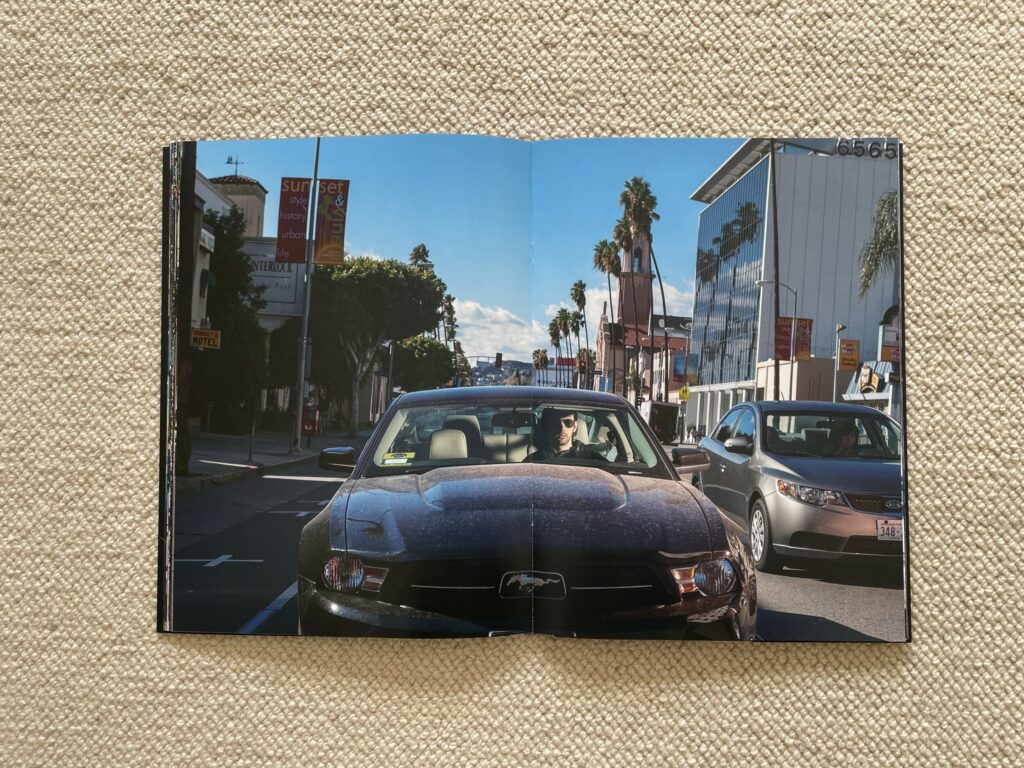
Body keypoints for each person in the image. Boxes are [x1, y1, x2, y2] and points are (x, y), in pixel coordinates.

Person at [523, 408, 607, 462]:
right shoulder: (534, 460)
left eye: (568, 423)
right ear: (547, 426)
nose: (562, 428)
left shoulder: (590, 458)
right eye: (555, 423)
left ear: (575, 427)